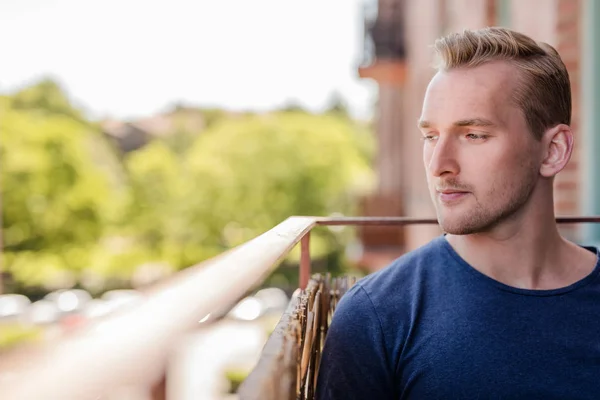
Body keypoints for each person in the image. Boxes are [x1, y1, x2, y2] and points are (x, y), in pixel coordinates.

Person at [315, 27, 600, 399]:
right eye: (430, 136)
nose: (439, 165)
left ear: (552, 151)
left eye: (473, 135)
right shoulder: (377, 316)